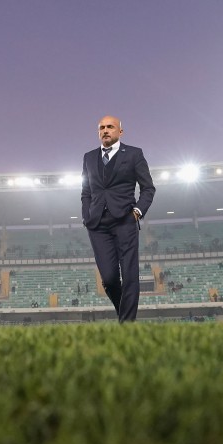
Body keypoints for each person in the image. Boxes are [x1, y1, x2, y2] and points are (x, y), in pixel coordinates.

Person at [81, 115, 156, 322]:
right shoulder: (89, 157)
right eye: (101, 128)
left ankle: (127, 325)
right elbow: (86, 192)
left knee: (130, 276)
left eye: (110, 127)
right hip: (98, 225)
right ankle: (124, 314)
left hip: (125, 220)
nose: (105, 130)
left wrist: (137, 211)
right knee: (109, 278)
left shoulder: (134, 154)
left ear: (120, 131)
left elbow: (148, 188)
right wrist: (86, 216)